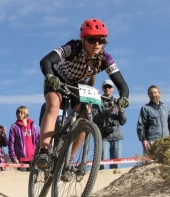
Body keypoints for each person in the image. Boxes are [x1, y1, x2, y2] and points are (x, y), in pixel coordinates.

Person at [36, 18, 130, 169]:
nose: (97, 44)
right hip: (56, 78)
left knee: (86, 116)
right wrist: (49, 75)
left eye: (101, 40)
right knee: (54, 104)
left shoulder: (105, 58)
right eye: (92, 40)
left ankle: (67, 162)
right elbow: (46, 60)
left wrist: (124, 97)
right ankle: (44, 152)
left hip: (76, 84)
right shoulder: (72, 47)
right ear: (83, 40)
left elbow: (122, 84)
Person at [92, 79, 127, 169]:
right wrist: (107, 112)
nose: (107, 89)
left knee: (116, 166)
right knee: (101, 164)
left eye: (109, 87)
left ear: (113, 89)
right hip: (103, 137)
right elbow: (95, 119)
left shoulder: (118, 102)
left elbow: (123, 121)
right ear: (102, 88)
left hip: (117, 137)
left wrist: (121, 112)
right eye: (105, 87)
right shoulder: (97, 103)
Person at [137, 85, 170, 155]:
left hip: (166, 141)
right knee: (150, 165)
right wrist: (144, 140)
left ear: (159, 93)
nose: (153, 95)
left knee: (166, 164)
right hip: (151, 142)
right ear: (148, 95)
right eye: (151, 93)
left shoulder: (167, 108)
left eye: (155, 92)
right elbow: (141, 125)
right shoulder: (145, 108)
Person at [8, 106, 40, 171]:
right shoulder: (14, 127)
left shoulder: (33, 126)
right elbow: (11, 143)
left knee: (32, 178)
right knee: (22, 178)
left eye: (21, 113)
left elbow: (38, 140)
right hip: (21, 158)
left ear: (26, 113)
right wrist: (13, 157)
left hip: (33, 158)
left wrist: (39, 155)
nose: (19, 115)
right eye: (18, 113)